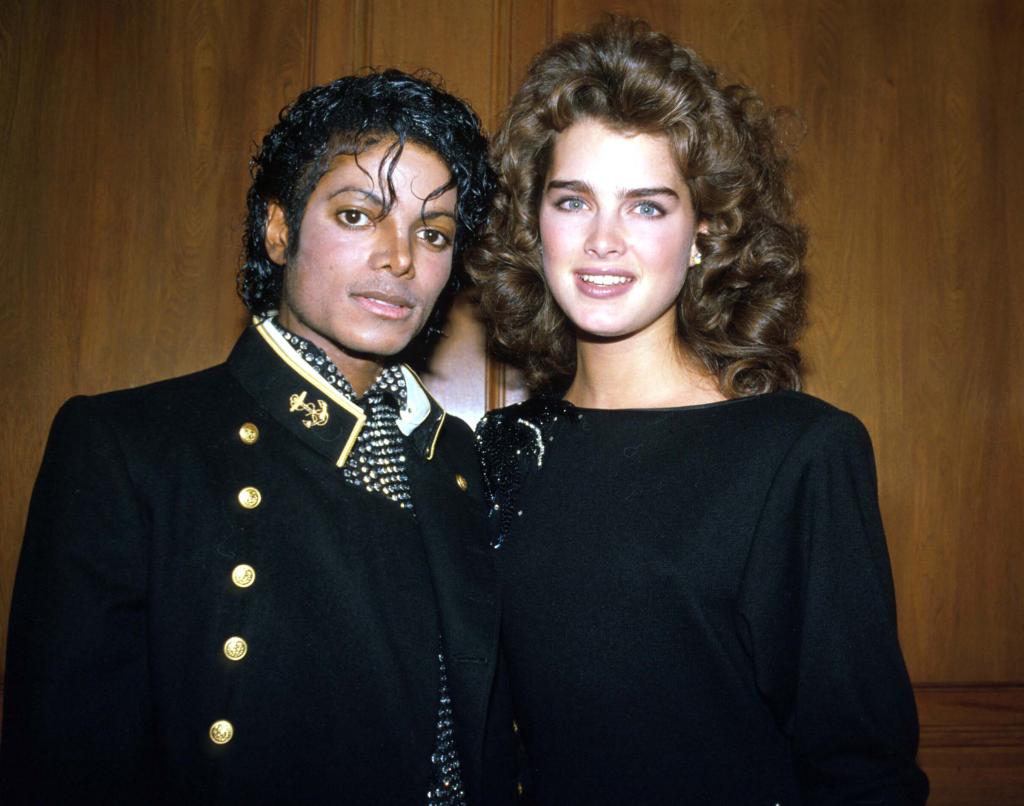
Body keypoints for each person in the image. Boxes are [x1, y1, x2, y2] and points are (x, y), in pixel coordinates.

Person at [2, 69, 515, 805]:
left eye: (432, 233)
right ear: (279, 230)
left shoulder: (458, 459)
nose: (400, 258)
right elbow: (67, 765)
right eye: (358, 215)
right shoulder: (130, 446)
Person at [470, 18, 928, 805]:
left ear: (702, 235)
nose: (604, 241)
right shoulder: (496, 450)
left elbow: (862, 768)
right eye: (573, 201)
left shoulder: (799, 453)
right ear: (532, 226)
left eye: (647, 207)